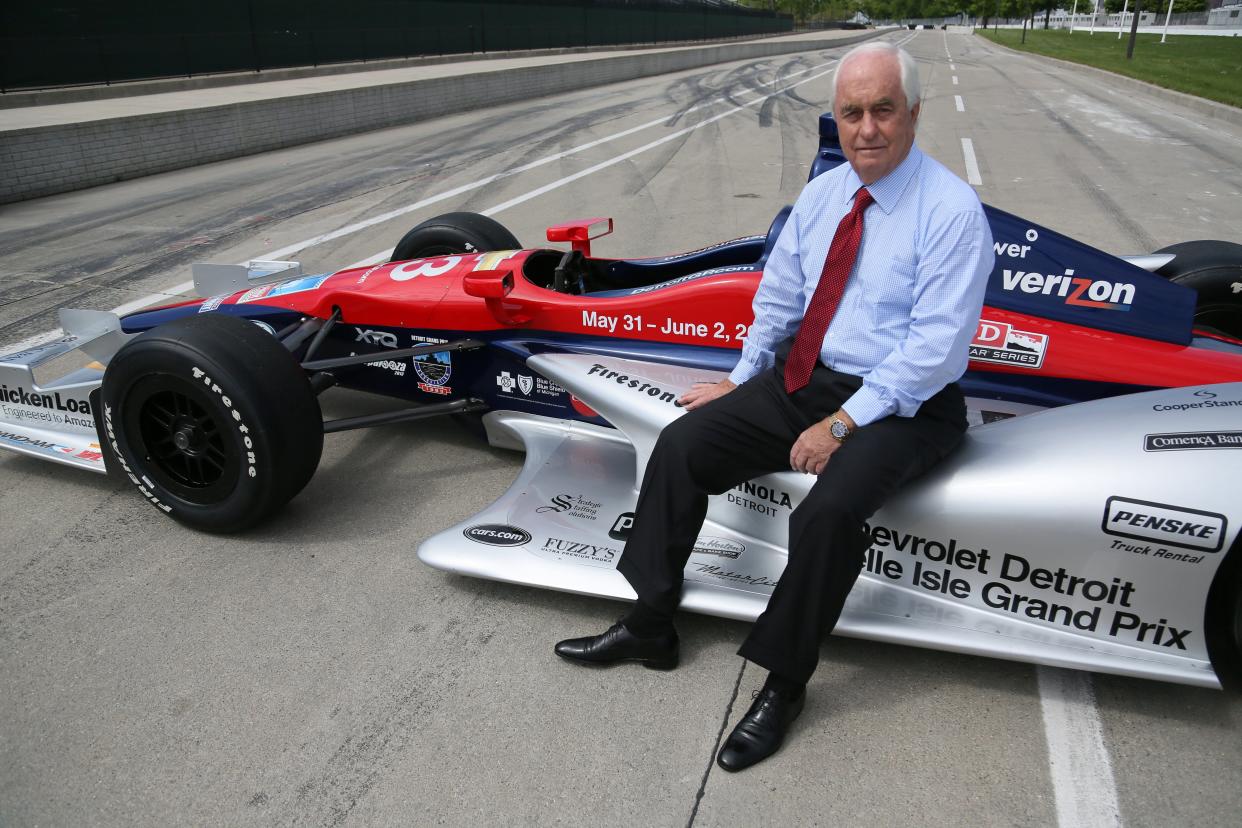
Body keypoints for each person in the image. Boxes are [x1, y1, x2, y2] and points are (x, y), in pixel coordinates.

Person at [554, 41, 994, 772]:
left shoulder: (950, 212)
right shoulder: (826, 197)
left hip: (910, 403)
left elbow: (933, 352)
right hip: (811, 379)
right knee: (684, 443)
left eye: (883, 110)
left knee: (826, 513)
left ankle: (783, 686)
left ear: (913, 114)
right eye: (851, 113)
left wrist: (843, 423)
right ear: (836, 118)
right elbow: (781, 299)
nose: (867, 129)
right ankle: (651, 622)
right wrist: (742, 377)